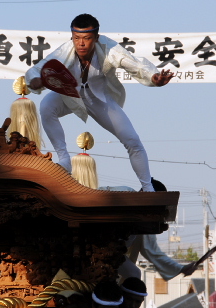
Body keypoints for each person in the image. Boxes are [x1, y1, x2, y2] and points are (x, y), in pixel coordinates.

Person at [26, 14, 173, 192]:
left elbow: (134, 64)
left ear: (96, 37)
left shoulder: (109, 48)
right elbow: (37, 69)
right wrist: (35, 81)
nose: (81, 43)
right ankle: (64, 159)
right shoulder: (65, 51)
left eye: (87, 38)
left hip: (99, 99)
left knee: (133, 141)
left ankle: (148, 188)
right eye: (76, 38)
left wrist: (153, 77)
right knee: (46, 106)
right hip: (71, 95)